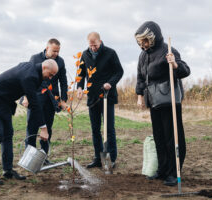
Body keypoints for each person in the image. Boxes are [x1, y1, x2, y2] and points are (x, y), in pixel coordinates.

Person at [0, 59, 58, 185]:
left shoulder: (33, 70)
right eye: (51, 74)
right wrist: (44, 128)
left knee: (8, 134)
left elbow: (31, 96)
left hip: (5, 102)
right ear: (44, 68)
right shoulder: (30, 75)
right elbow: (35, 104)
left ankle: (7, 170)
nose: (51, 78)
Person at [134, 21, 190, 186]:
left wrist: (174, 63)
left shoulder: (168, 50)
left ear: (153, 37)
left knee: (172, 137)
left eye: (144, 40)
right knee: (159, 137)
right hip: (154, 100)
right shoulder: (143, 56)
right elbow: (140, 77)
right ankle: (163, 169)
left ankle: (174, 172)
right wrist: (140, 96)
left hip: (169, 100)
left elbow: (185, 71)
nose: (142, 44)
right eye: (140, 42)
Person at [77, 32, 124, 169]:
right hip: (92, 98)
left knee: (109, 128)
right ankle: (98, 158)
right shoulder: (84, 55)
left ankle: (111, 158)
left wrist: (110, 83)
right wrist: (80, 87)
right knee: (95, 129)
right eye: (91, 46)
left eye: (95, 45)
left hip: (107, 96)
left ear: (100, 41)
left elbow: (119, 72)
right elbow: (80, 74)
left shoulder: (110, 53)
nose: (93, 48)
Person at [22, 38, 68, 165]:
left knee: (48, 128)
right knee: (32, 129)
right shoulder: (35, 58)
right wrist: (26, 96)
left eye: (58, 51)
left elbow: (63, 82)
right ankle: (29, 158)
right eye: (54, 51)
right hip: (35, 98)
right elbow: (27, 79)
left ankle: (43, 157)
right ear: (47, 48)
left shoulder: (61, 61)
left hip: (51, 100)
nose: (56, 54)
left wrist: (63, 100)